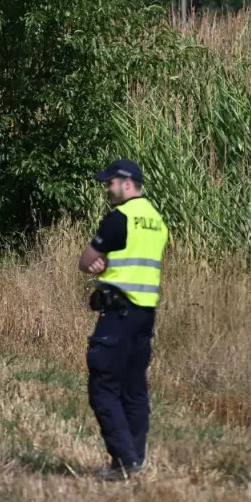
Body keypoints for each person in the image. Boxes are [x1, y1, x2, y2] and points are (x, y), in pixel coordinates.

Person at [77, 158, 170, 481]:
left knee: (103, 385)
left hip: (118, 312)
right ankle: (135, 456)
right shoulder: (157, 221)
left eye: (110, 183)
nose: (107, 189)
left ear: (126, 183)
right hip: (146, 314)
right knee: (134, 389)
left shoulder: (121, 218)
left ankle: (124, 460)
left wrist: (96, 264)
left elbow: (86, 259)